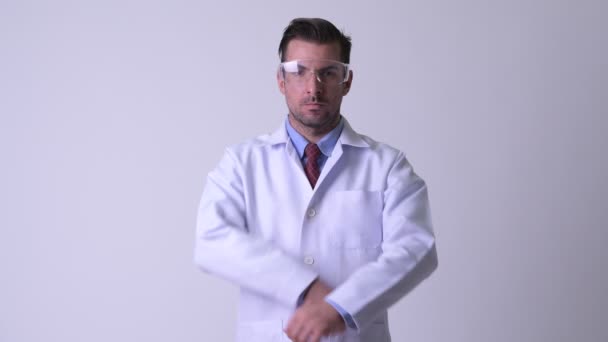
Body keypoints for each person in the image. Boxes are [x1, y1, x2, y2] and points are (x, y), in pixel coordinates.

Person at [195, 17, 438, 342]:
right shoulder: (242, 163)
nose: (313, 87)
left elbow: (416, 249)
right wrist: (305, 286)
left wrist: (340, 306)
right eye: (299, 72)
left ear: (347, 81)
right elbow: (212, 241)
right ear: (281, 80)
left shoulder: (387, 166)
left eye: (328, 72)